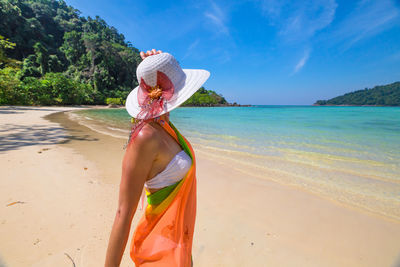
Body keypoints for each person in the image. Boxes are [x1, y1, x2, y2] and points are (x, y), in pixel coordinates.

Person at [104, 49, 210, 266]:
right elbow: (123, 213)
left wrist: (153, 66)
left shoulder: (164, 126)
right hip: (158, 247)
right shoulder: (146, 136)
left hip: (177, 243)